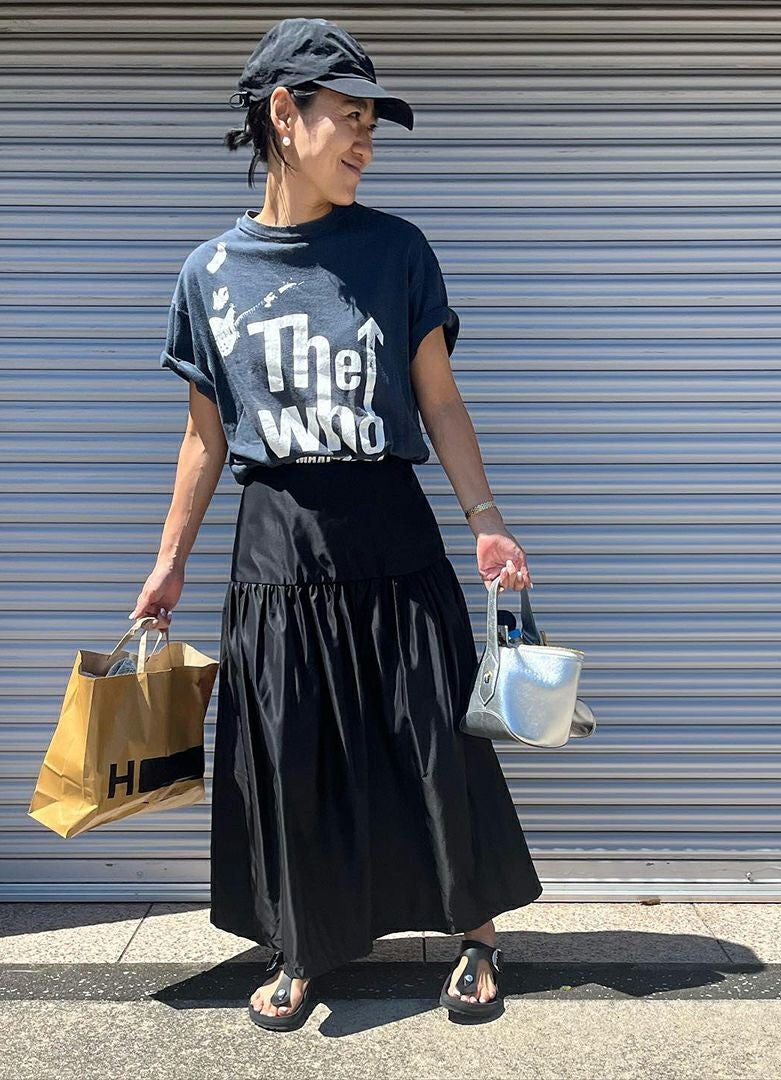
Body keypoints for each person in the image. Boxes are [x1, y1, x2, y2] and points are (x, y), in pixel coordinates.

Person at [128, 17, 543, 1031]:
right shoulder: (209, 274)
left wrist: (486, 517)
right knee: (292, 748)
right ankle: (302, 944)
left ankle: (478, 935)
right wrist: (168, 563)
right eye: (348, 116)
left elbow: (438, 400)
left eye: (371, 122)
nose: (364, 138)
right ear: (285, 113)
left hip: (391, 528)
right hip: (277, 540)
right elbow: (204, 438)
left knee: (433, 734)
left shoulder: (397, 251)